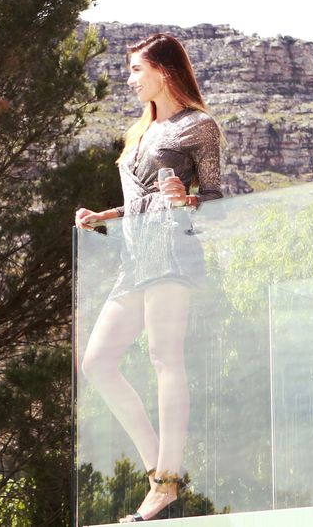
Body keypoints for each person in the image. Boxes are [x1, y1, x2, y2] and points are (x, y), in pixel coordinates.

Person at [74, 33, 225, 523]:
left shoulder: (199, 126)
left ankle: (165, 481)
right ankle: (160, 470)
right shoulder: (140, 129)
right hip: (134, 259)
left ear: (164, 70)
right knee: (96, 362)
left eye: (137, 69)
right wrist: (105, 214)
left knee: (164, 357)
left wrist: (189, 200)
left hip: (172, 254)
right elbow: (143, 197)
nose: (130, 78)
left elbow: (217, 202)